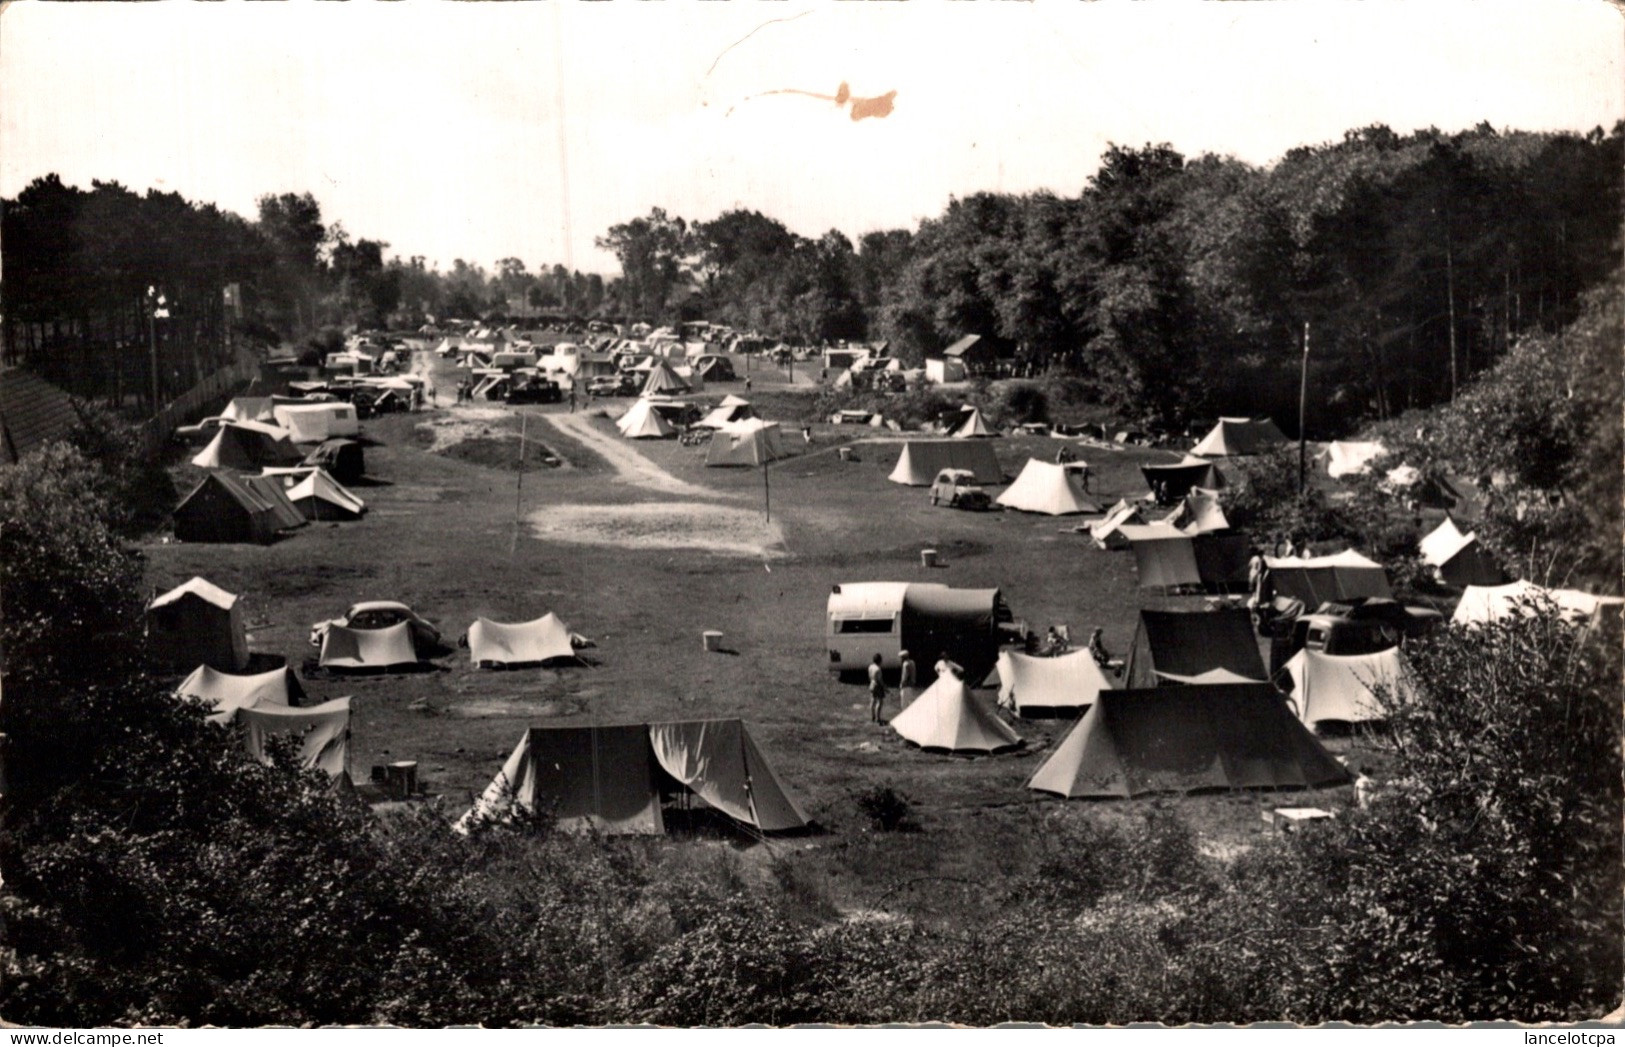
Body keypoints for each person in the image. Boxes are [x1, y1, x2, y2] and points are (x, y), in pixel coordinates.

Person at [867, 653, 887, 724]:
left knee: (873, 700)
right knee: (880, 701)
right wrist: (884, 687)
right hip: (877, 685)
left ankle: (872, 716)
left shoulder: (870, 667)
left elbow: (869, 676)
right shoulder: (878, 669)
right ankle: (878, 718)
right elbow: (880, 680)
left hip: (872, 684)